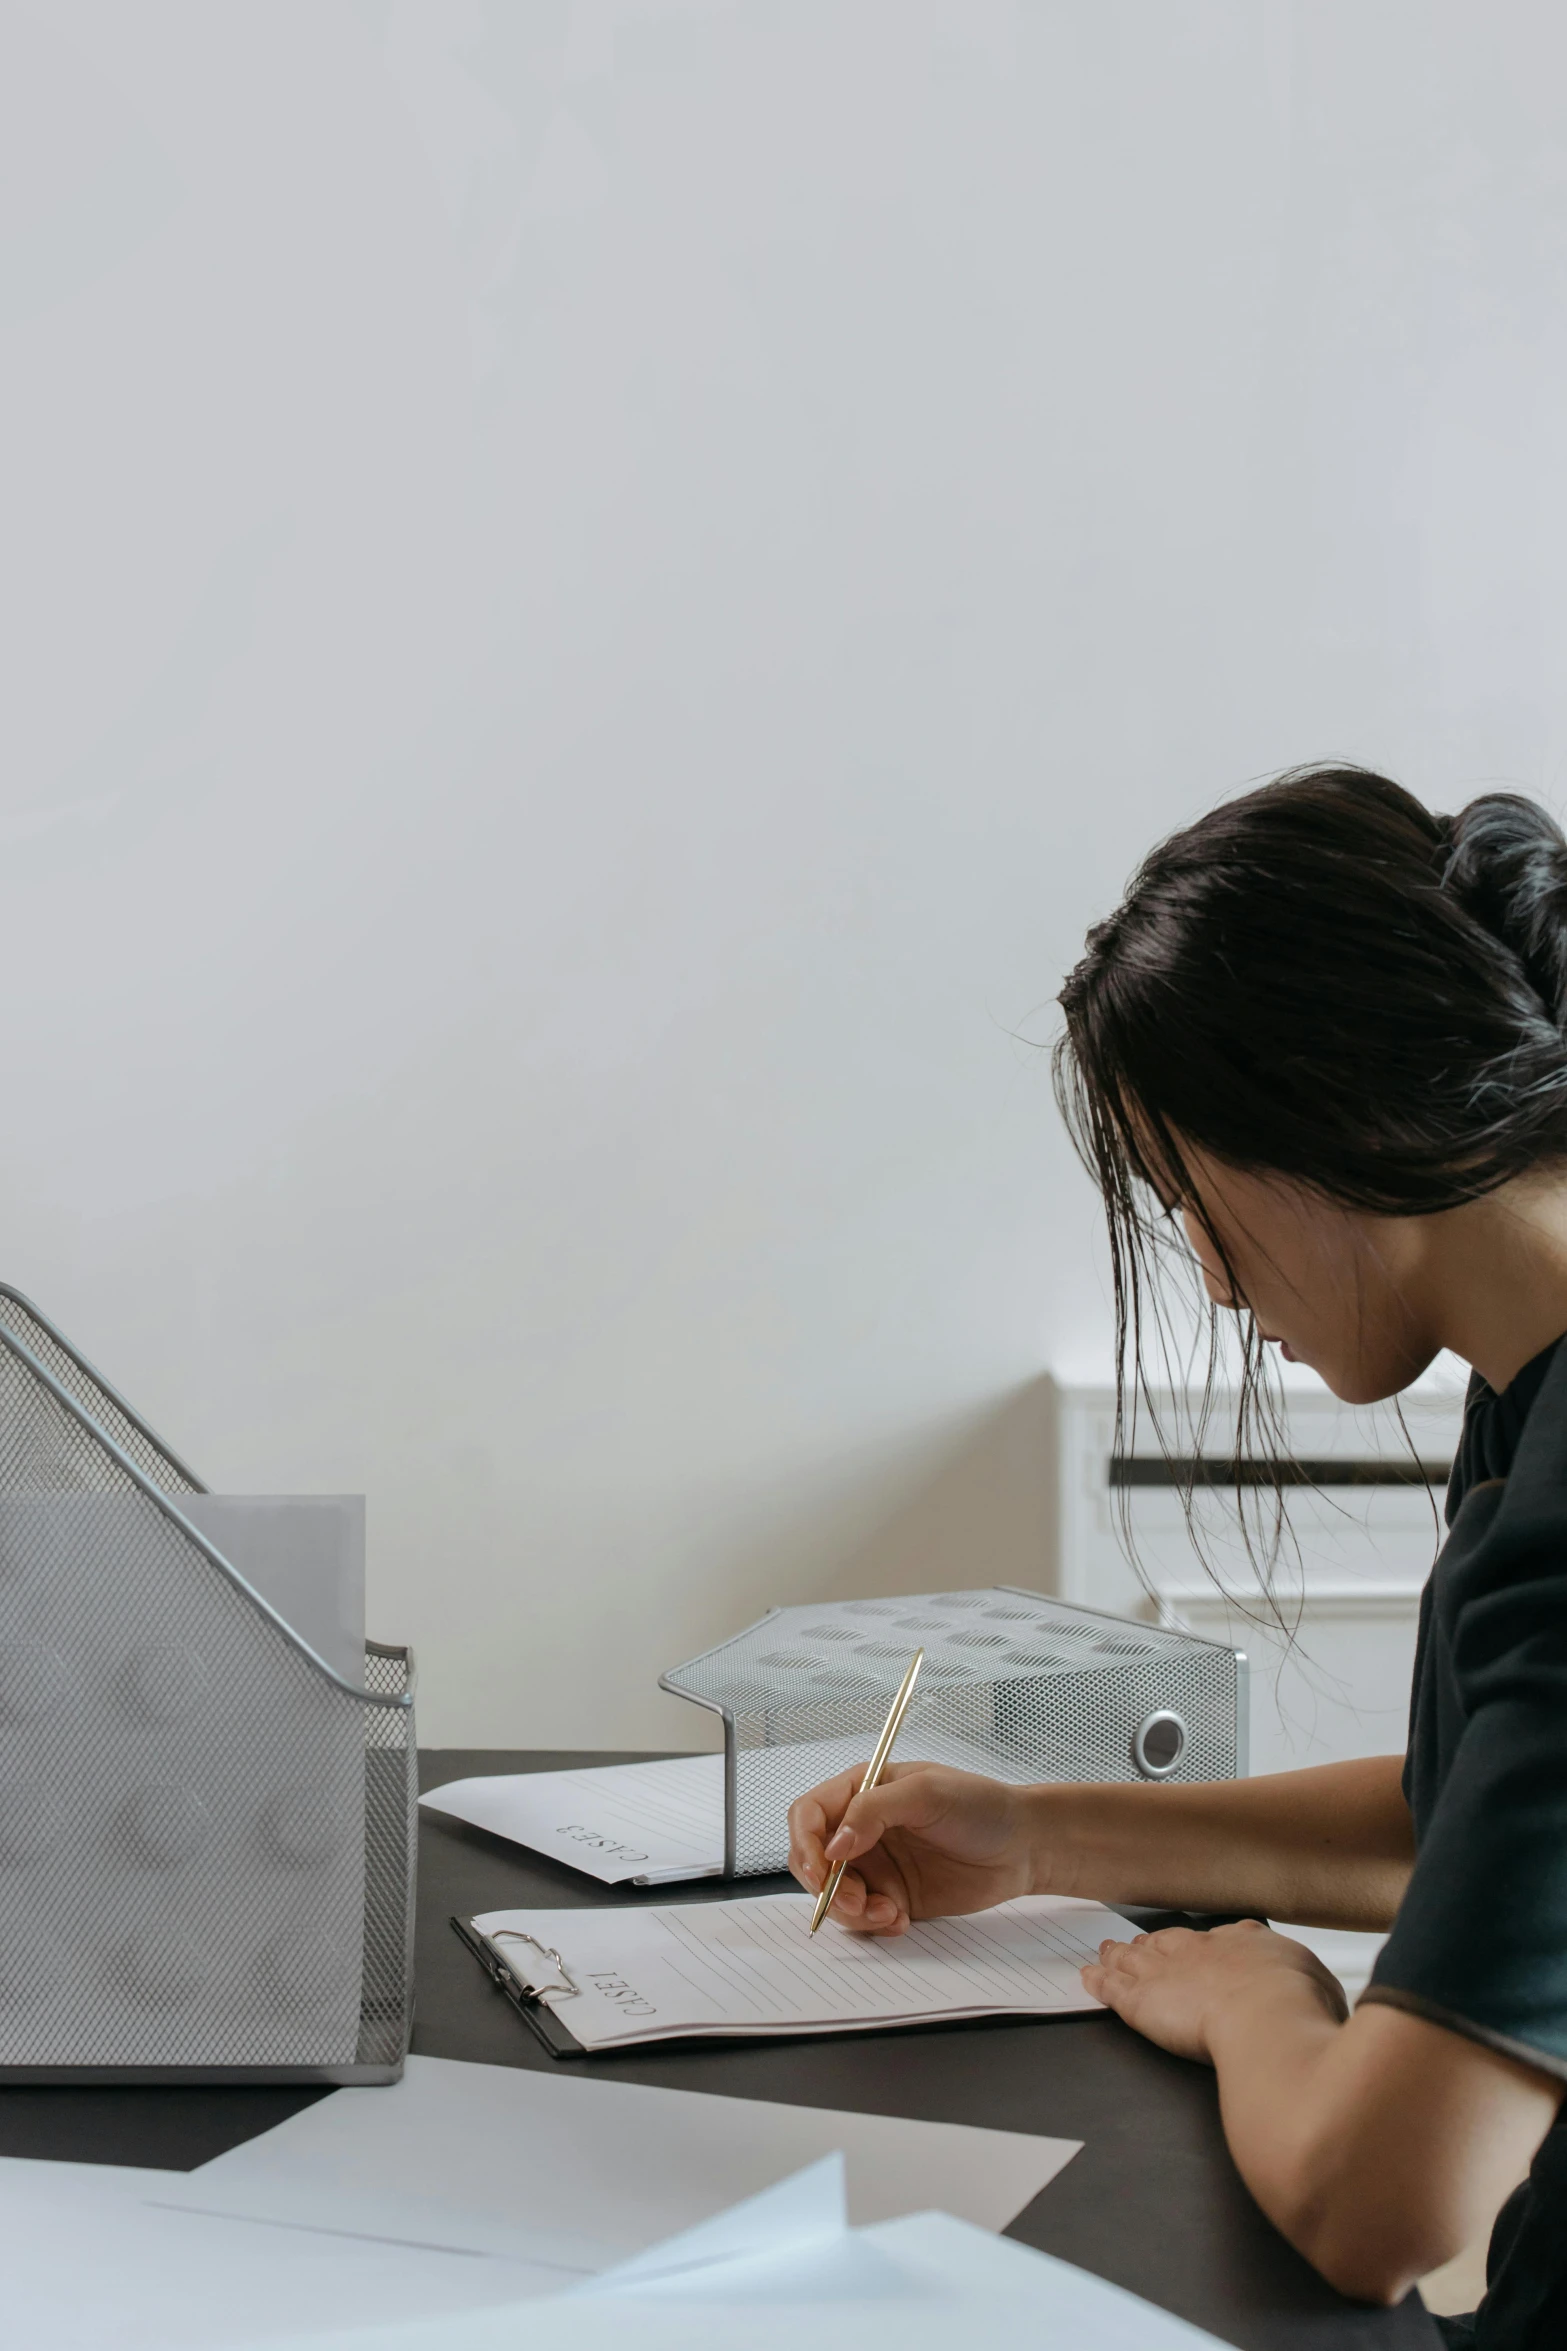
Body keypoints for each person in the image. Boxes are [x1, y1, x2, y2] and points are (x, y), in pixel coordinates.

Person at [787, 767, 1567, 2348]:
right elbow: (1470, 1835)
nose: (1209, 1281)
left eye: (1185, 1196)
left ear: (1322, 1114)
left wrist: (1254, 2004)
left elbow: (1379, 2205)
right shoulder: (1525, 1386)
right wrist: (1034, 1835)